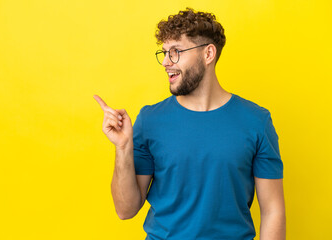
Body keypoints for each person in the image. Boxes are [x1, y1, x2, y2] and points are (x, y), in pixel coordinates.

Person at [94, 7, 285, 240]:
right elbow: (125, 210)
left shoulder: (256, 121)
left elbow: (273, 210)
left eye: (175, 51)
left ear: (208, 54)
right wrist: (123, 147)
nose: (165, 62)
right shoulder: (150, 119)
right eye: (164, 53)